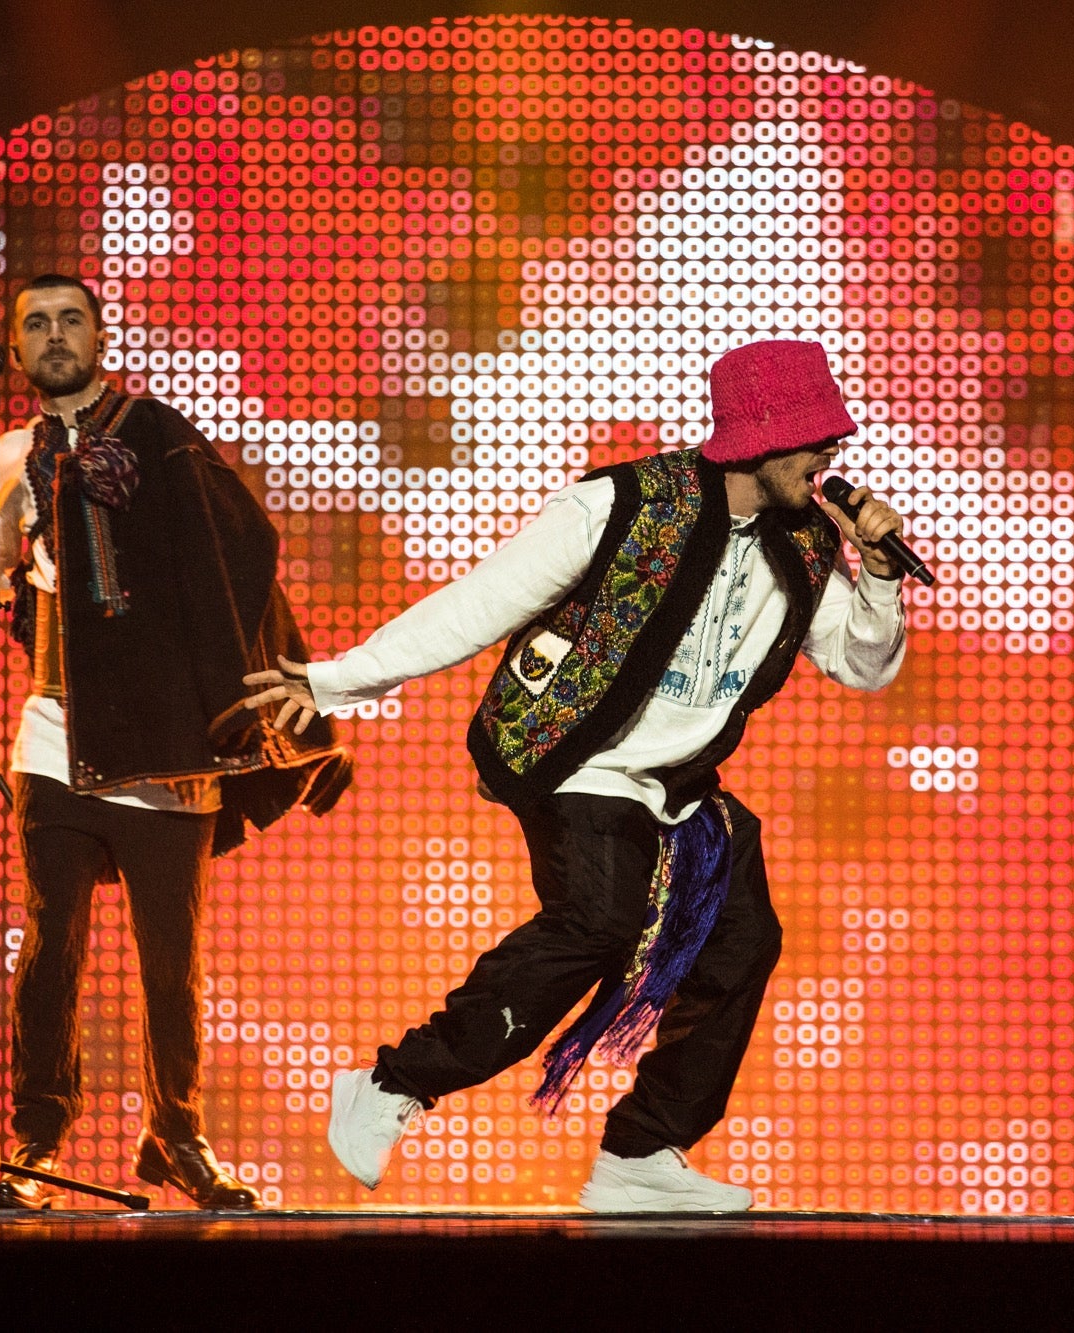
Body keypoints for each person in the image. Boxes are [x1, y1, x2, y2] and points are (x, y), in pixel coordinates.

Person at [242, 338, 909, 1212]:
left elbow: (862, 667)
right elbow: (479, 603)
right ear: (760, 435)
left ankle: (640, 1154)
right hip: (576, 759)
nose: (833, 457)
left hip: (679, 785)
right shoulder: (626, 505)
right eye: (817, 439)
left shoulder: (808, 545)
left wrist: (884, 580)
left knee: (745, 942)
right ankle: (393, 1083)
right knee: (596, 921)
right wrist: (336, 678)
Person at [0, 273, 351, 1209]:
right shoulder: (13, 458)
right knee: (52, 938)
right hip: (54, 732)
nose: (53, 336)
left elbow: (232, 569)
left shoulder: (162, 439)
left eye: (69, 319)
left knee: (172, 954)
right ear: (17, 347)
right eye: (34, 324)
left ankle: (178, 1132)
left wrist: (300, 712)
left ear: (99, 334)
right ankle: (39, 1129)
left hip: (167, 751)